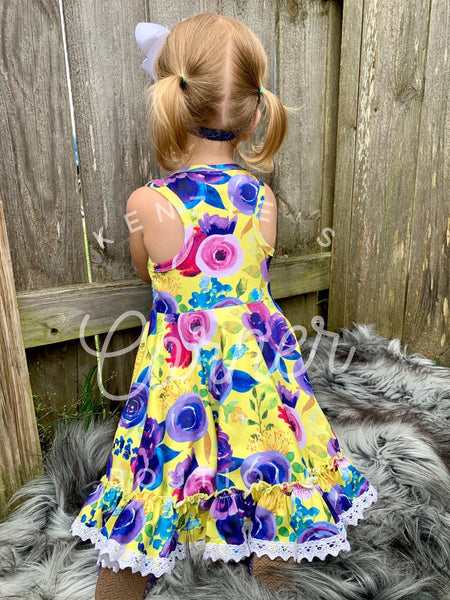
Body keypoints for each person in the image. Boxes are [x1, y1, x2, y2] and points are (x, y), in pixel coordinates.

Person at [70, 13, 378, 599]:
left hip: (178, 373)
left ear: (171, 96)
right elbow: (254, 273)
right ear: (255, 109)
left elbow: (150, 271)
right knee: (269, 462)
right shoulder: (261, 198)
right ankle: (273, 569)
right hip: (257, 370)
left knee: (155, 475)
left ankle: (124, 585)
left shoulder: (148, 202)